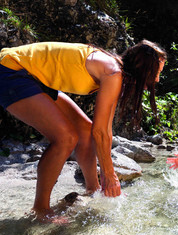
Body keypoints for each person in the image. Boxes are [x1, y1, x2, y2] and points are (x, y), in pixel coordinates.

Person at [0, 40, 167, 222]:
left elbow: (104, 129)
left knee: (85, 130)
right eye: (155, 73)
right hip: (11, 70)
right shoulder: (113, 72)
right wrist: (110, 175)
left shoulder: (115, 72)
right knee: (65, 138)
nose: (156, 80)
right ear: (141, 68)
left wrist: (107, 175)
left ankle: (94, 189)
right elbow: (100, 132)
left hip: (35, 78)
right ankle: (40, 210)